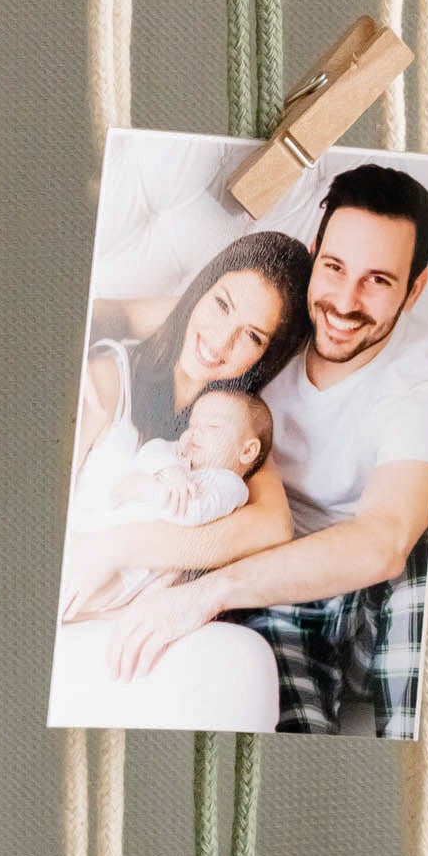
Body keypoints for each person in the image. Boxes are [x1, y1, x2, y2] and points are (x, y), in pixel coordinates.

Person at [105, 163, 428, 735]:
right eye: (334, 268)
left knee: (424, 556)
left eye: (378, 280)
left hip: (378, 594)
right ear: (316, 253)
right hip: (278, 599)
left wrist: (206, 594)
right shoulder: (272, 323)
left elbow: (384, 541)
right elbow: (143, 318)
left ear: (415, 288)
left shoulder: (422, 383)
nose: (344, 301)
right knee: (279, 713)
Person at [55, 225, 312, 730]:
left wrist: (119, 546)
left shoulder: (233, 422)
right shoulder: (106, 380)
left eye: (253, 337)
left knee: (246, 663)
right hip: (71, 617)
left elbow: (271, 526)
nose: (221, 342)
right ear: (200, 291)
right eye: (220, 305)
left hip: (142, 626)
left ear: (266, 356)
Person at [62, 381, 280, 622]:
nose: (195, 432)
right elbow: (152, 450)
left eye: (213, 427)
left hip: (135, 571)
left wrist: (147, 488)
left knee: (75, 591)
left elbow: (190, 512)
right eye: (192, 424)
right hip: (105, 534)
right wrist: (170, 470)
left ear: (247, 451)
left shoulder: (229, 486)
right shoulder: (181, 457)